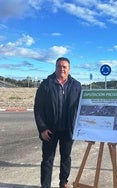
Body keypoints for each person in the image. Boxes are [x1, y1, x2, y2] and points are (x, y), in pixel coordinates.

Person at [34, 57, 82, 188]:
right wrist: (42, 128)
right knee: (47, 160)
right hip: (50, 130)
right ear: (55, 68)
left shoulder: (76, 86)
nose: (62, 69)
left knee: (66, 158)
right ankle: (45, 185)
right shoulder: (46, 85)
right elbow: (38, 108)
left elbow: (82, 107)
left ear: (69, 69)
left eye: (64, 66)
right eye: (59, 66)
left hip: (68, 130)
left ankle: (63, 182)